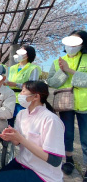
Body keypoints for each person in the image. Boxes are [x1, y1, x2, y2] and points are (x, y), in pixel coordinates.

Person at [0, 81, 65, 182]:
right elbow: (18, 143)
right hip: (23, 162)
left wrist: (21, 138)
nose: (20, 95)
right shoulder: (22, 114)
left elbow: (54, 160)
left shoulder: (51, 120)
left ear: (35, 97)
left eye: (23, 91)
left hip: (43, 174)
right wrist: (11, 137)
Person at [47, 30, 87, 178]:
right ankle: (68, 159)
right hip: (65, 102)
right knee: (67, 133)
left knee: (86, 138)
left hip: (85, 104)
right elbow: (52, 82)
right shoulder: (58, 60)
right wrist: (62, 71)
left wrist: (69, 70)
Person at [5, 45, 41, 127]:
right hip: (10, 98)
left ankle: (22, 139)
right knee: (8, 121)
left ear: (27, 55)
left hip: (24, 99)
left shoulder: (33, 68)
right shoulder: (12, 68)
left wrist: (16, 84)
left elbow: (33, 86)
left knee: (23, 122)